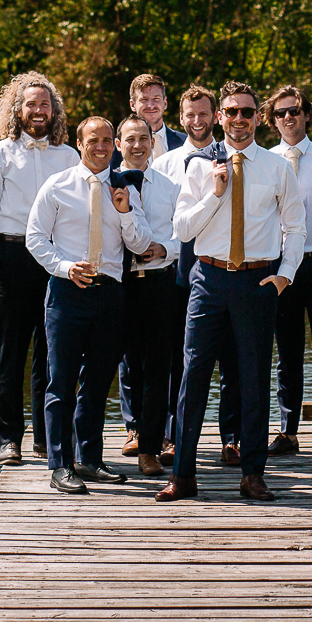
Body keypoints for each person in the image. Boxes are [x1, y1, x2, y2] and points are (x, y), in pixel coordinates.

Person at [157, 81, 303, 503]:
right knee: (193, 377)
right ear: (219, 117)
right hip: (208, 279)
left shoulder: (278, 168)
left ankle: (253, 474)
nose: (238, 119)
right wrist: (215, 195)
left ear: (258, 118)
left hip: (257, 281)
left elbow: (295, 227)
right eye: (231, 112)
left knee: (254, 379)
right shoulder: (200, 167)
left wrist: (285, 275)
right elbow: (182, 229)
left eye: (246, 112)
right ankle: (183, 476)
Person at [25, 116, 155, 494]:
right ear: (80, 144)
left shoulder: (124, 187)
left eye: (106, 141)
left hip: (110, 295)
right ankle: (60, 464)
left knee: (98, 383)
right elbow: (35, 238)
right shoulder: (58, 186)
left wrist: (125, 210)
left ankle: (90, 459)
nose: (100, 147)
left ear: (114, 144)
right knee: (61, 381)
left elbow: (141, 244)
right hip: (67, 293)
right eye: (92, 140)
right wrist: (64, 267)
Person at [0, 72, 77, 465]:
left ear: (54, 111)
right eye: (31, 104)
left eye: (44, 104)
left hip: (55, 259)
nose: (38, 111)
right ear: (17, 109)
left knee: (51, 354)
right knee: (11, 353)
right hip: (13, 258)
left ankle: (45, 438)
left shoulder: (68, 156)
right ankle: (9, 440)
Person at [152, 84, 239, 462]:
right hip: (177, 275)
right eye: (190, 115)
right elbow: (160, 221)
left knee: (231, 358)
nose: (197, 121)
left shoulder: (232, 157)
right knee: (179, 358)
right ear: (180, 118)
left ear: (216, 116)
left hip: (223, 271)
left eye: (204, 114)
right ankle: (173, 436)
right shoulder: (165, 164)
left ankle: (231, 438)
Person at [264, 84, 312, 457]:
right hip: (282, 268)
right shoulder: (265, 161)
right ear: (272, 119)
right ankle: (287, 430)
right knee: (287, 352)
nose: (288, 117)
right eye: (280, 113)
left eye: (295, 110)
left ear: (307, 114)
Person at [115, 72, 187, 454]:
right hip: (123, 276)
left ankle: (164, 434)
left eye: (158, 98)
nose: (152, 104)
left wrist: (164, 250)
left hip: (164, 277)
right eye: (144, 99)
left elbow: (184, 227)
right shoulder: (110, 168)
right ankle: (135, 428)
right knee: (128, 358)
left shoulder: (176, 155)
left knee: (167, 358)